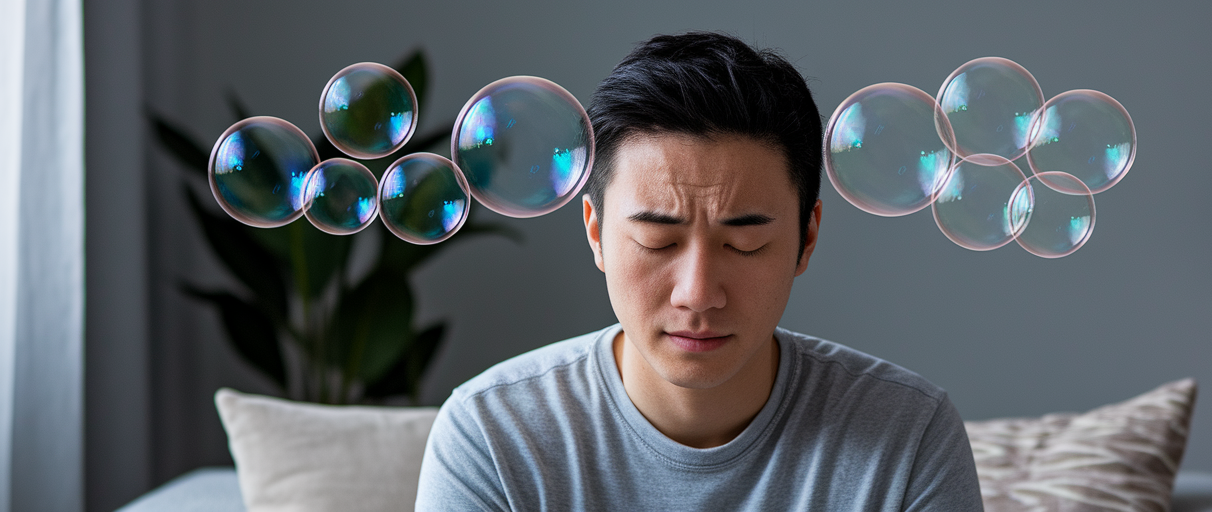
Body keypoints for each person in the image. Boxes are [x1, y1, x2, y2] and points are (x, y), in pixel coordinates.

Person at [416, 32, 982, 511]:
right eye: (657, 240)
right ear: (596, 232)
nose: (698, 293)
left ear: (806, 238)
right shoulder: (492, 435)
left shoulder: (910, 437)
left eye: (746, 242)